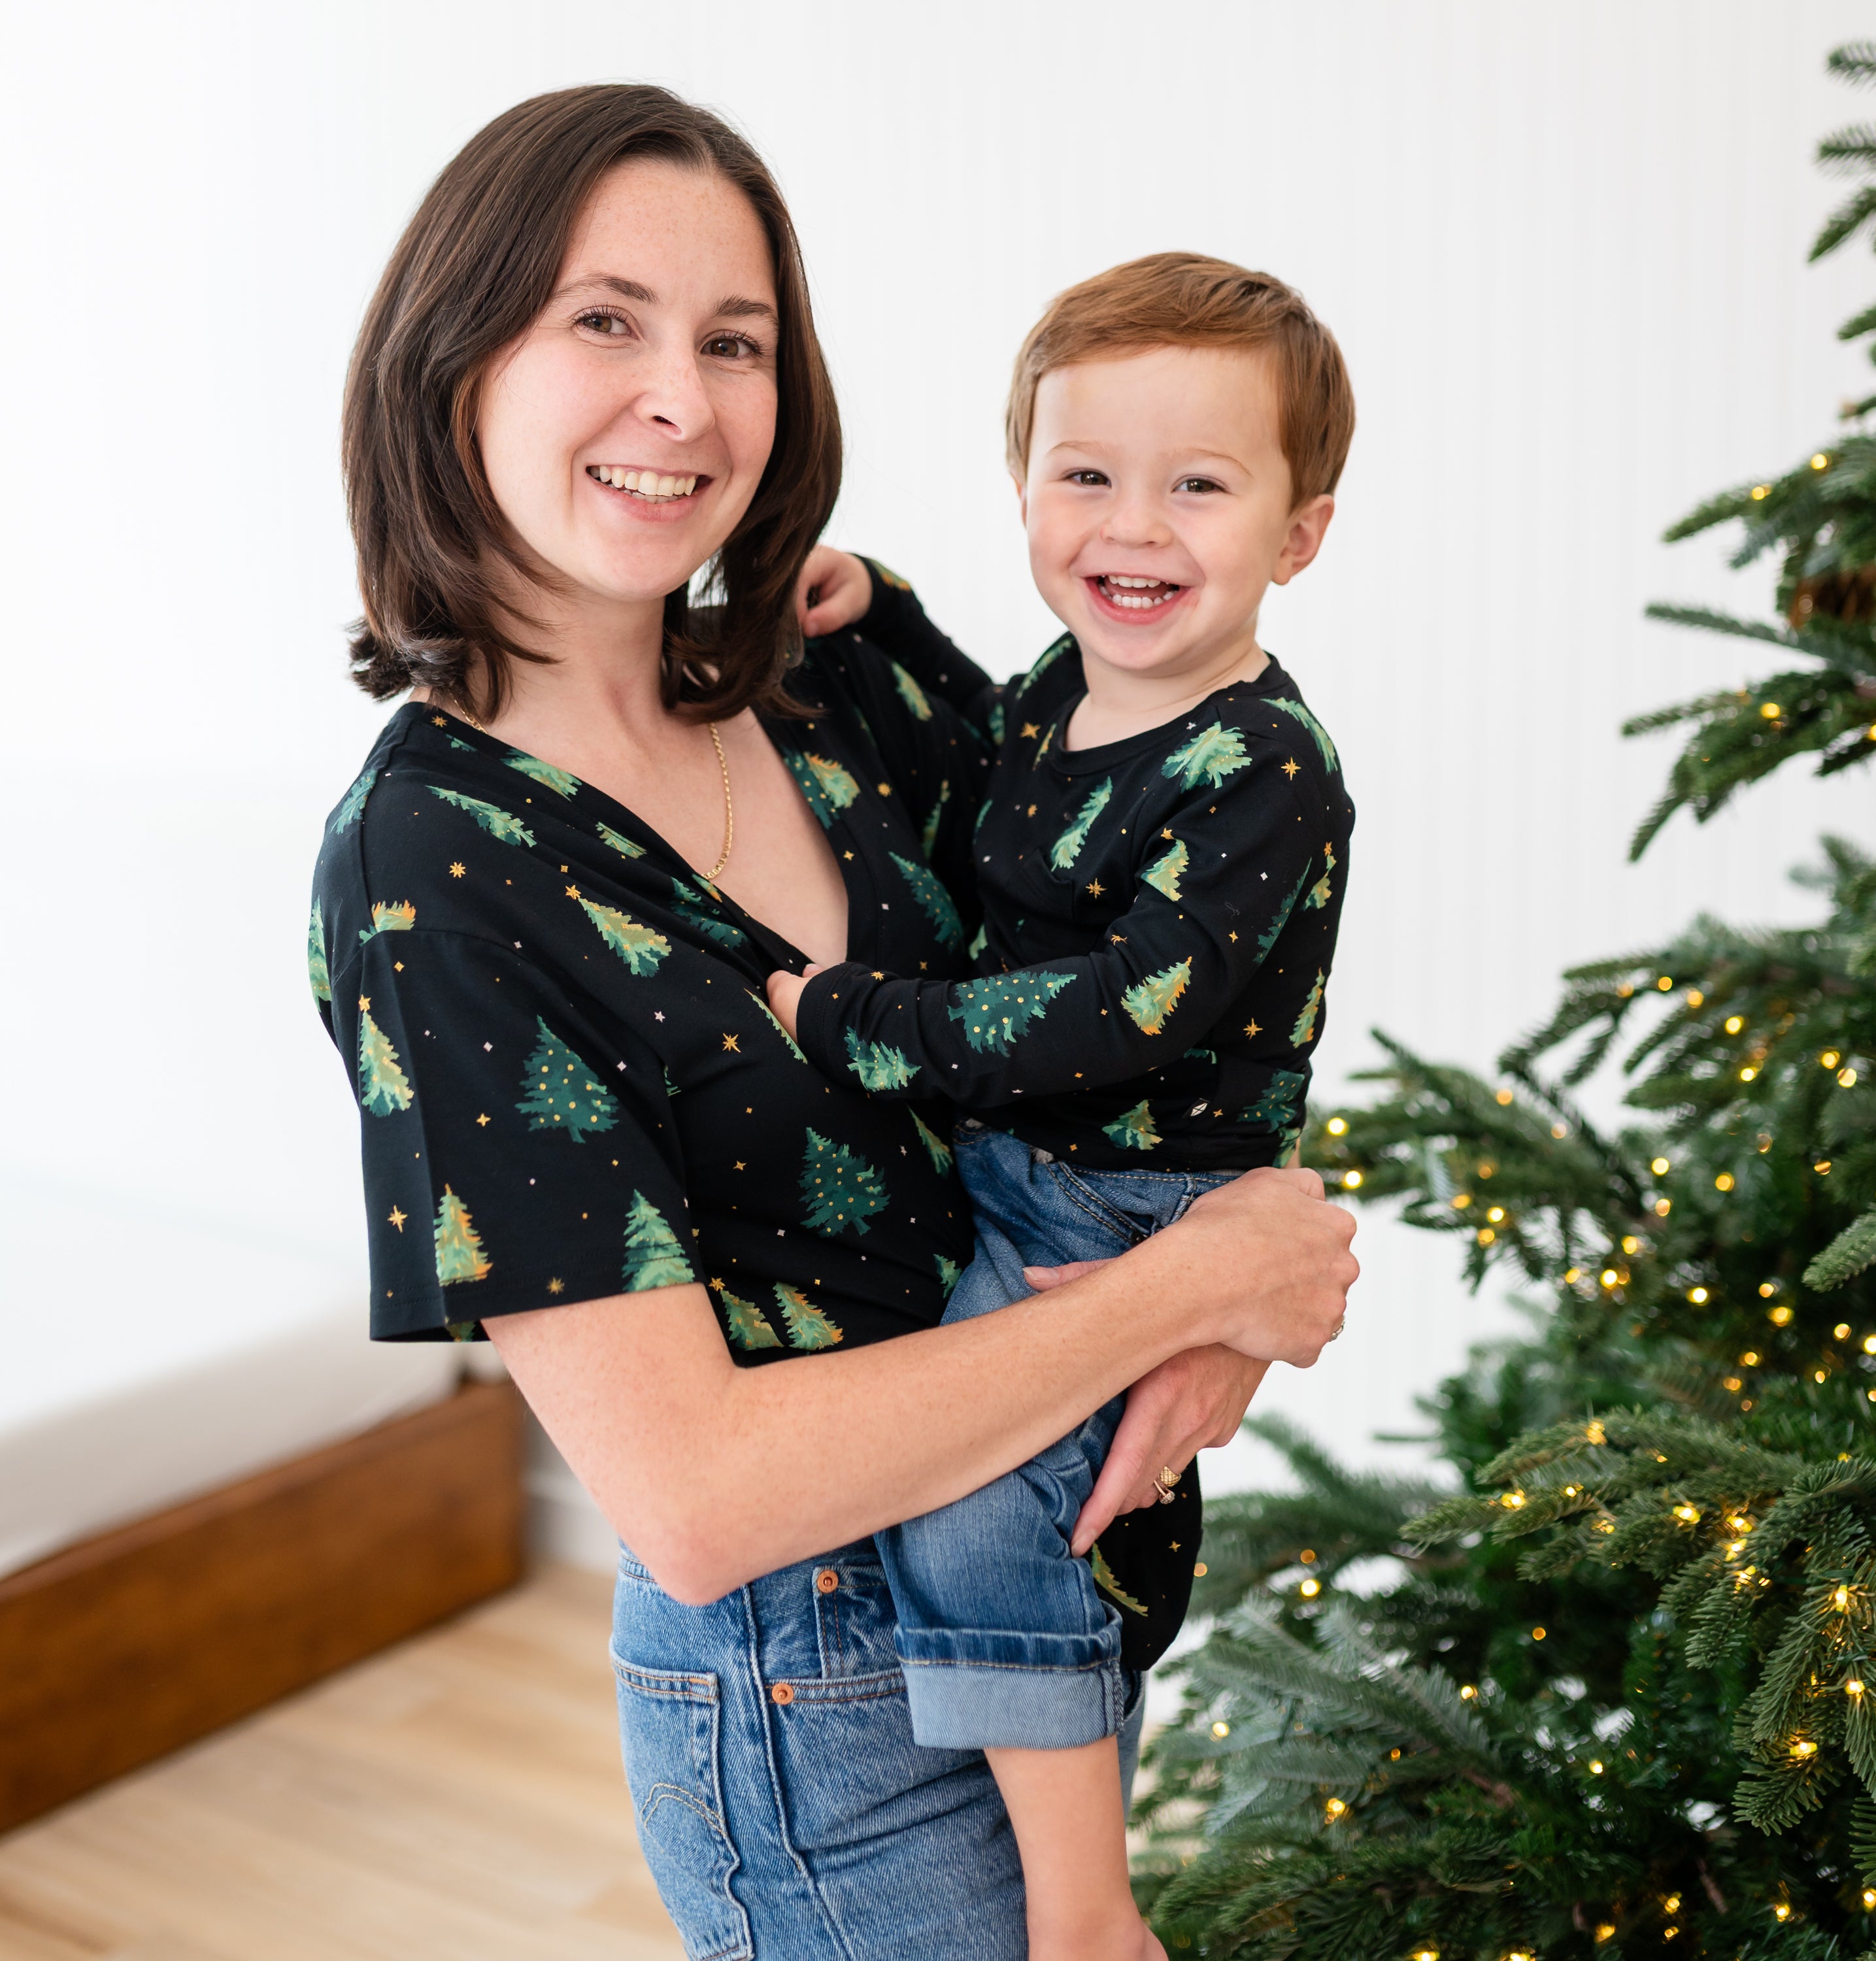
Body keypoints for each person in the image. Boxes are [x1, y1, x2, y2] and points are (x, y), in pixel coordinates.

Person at [312, 84, 1357, 1961]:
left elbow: (1158, 1000)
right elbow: (700, 1499)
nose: (684, 402)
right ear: (453, 360)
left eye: (736, 343)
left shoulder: (826, 685)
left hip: (1076, 1581)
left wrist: (1227, 1310)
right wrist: (1182, 1298)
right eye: (606, 321)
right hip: (823, 1718)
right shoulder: (437, 874)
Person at [771, 254, 1353, 1961]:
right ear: (1024, 487)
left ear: (1299, 535)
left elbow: (1120, 1015)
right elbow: (989, 771)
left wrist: (858, 1022)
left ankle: (1088, 1906)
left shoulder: (1265, 770)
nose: (1133, 527)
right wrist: (884, 617)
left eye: (1199, 486)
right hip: (1024, 1159)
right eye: (1086, 474)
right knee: (1021, 1484)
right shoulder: (1068, 682)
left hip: (1126, 1193)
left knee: (974, 1507)